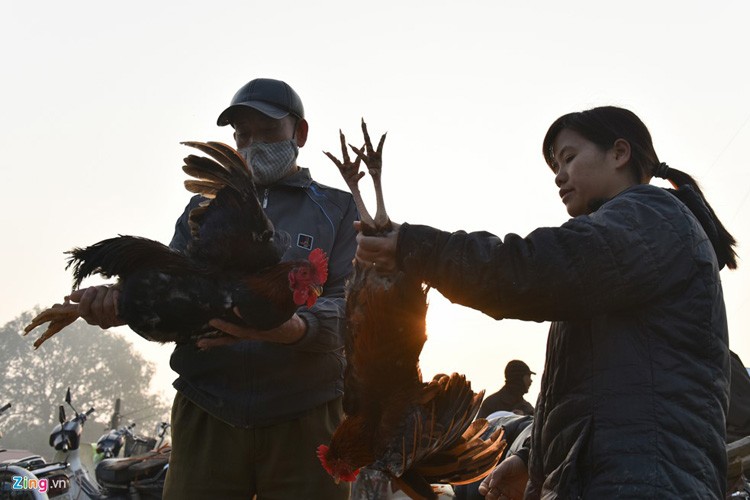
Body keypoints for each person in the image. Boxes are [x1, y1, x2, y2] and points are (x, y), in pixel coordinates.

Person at [355, 106, 737, 499]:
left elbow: (531, 269)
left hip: (645, 481)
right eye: (555, 164)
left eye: (569, 158)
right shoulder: (625, 243)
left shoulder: (650, 219)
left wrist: (418, 248)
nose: (558, 175)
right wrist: (529, 457)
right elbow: (595, 394)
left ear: (620, 153)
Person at [69, 78, 357, 499]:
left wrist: (295, 329)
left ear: (300, 133)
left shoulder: (337, 209)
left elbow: (355, 311)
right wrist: (118, 300)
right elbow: (171, 288)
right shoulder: (202, 207)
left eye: (268, 130)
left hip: (306, 412)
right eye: (243, 133)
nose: (253, 143)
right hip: (209, 405)